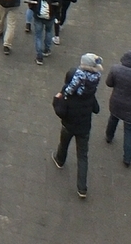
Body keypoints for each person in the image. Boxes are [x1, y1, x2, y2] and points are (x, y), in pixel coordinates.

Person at [51, 53, 103, 198]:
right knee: (82, 156)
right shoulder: (89, 94)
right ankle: (82, 188)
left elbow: (60, 112)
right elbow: (97, 109)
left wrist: (56, 99)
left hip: (68, 126)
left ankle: (59, 160)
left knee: (64, 143)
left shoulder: (67, 96)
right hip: (84, 129)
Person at [28, 0, 60, 64]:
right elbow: (59, 4)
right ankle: (47, 49)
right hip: (50, 15)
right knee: (49, 31)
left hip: (38, 15)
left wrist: (34, 9)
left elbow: (30, 0)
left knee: (38, 35)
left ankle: (39, 56)